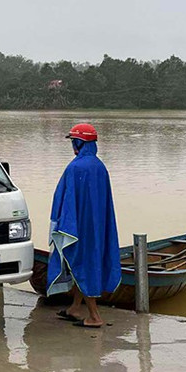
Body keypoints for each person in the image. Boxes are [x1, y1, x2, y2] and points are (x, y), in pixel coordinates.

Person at [48, 123, 121, 328]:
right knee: (84, 263)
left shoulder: (76, 167)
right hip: (97, 227)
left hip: (79, 227)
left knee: (82, 264)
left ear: (79, 143)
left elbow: (66, 200)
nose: (72, 146)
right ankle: (75, 307)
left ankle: (95, 317)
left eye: (73, 141)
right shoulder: (100, 166)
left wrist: (62, 224)